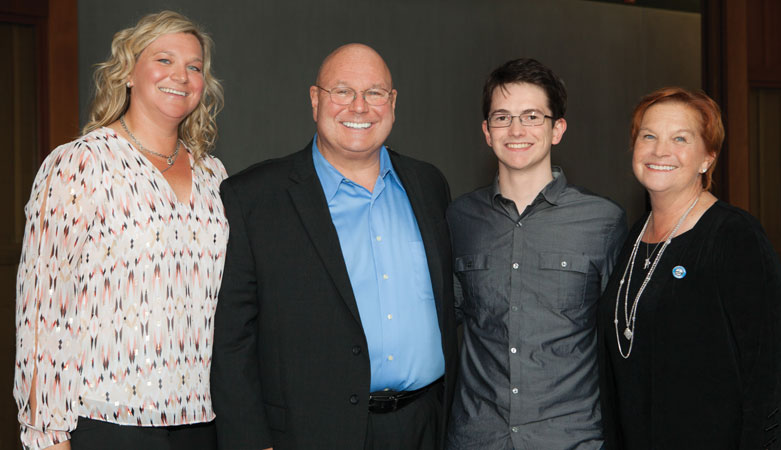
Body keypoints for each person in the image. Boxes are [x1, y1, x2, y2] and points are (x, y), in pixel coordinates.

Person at [210, 43, 457, 450]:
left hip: (426, 425)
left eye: (375, 93)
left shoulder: (429, 185)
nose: (359, 107)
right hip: (312, 433)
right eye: (342, 91)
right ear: (315, 100)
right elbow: (232, 341)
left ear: (392, 103)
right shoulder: (253, 197)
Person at [13, 11, 227, 450]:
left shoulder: (214, 175)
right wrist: (46, 435)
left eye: (194, 67)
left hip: (204, 420)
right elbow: (41, 311)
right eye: (164, 60)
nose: (180, 77)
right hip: (107, 419)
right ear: (128, 72)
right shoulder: (79, 165)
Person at [445, 58, 627, 449]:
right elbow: (440, 321)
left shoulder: (604, 222)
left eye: (531, 116)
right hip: (477, 438)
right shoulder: (459, 218)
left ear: (557, 129)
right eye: (502, 118)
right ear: (486, 132)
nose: (516, 130)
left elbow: (624, 343)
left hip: (571, 439)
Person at [597, 87, 781, 449]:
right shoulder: (634, 237)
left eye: (680, 138)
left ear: (707, 157)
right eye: (648, 136)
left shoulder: (735, 236)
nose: (660, 150)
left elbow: (767, 377)